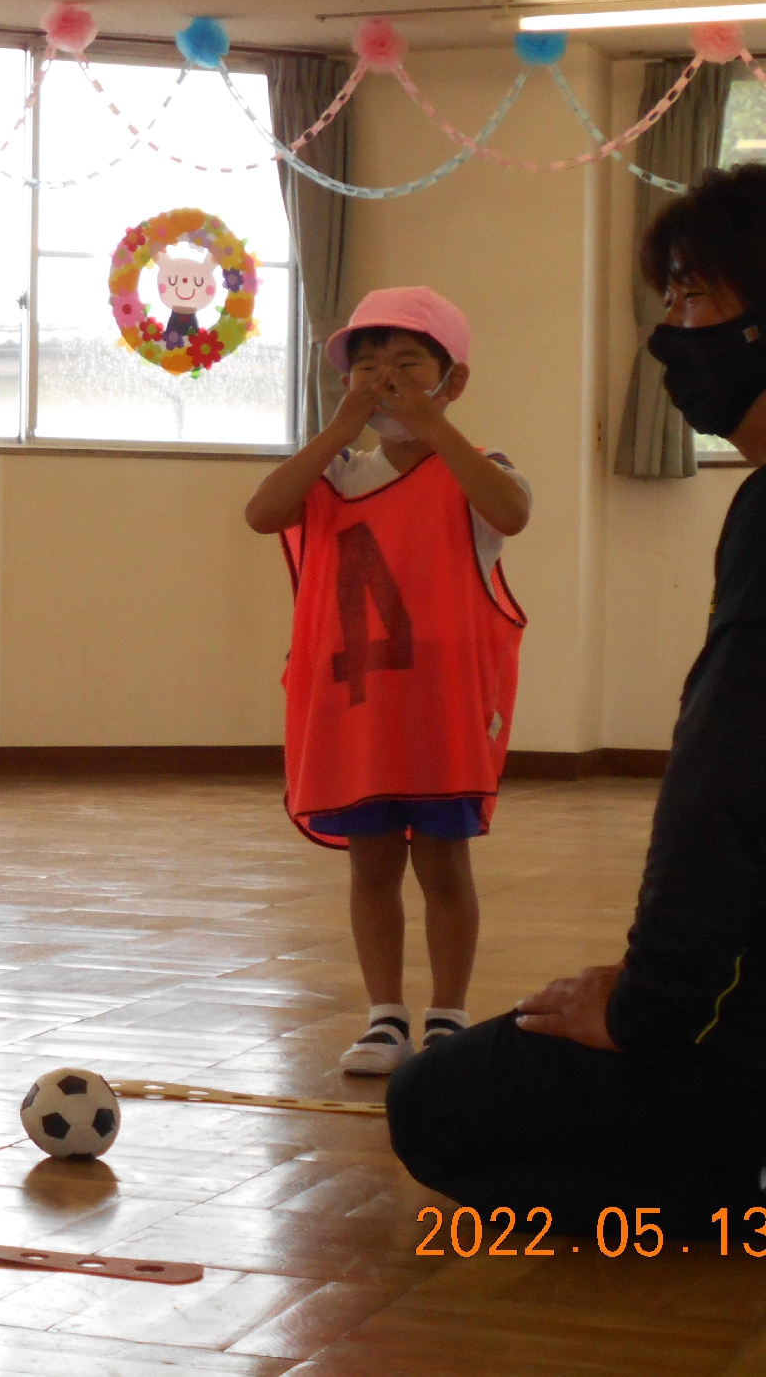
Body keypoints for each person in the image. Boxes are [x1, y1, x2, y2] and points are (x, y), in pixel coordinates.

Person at [388, 160, 766, 1244]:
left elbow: (726, 780)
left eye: (694, 298)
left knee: (437, 1109)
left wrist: (651, 1002)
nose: (670, 333)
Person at [245, 287, 531, 1076]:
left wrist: (438, 428)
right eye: (367, 367)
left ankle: (448, 1013)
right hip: (355, 707)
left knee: (444, 866)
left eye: (407, 363)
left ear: (452, 380)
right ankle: (383, 1017)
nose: (385, 380)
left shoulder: (479, 470)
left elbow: (511, 511)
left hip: (438, 710)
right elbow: (263, 511)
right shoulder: (337, 472)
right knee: (371, 865)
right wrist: (338, 427)